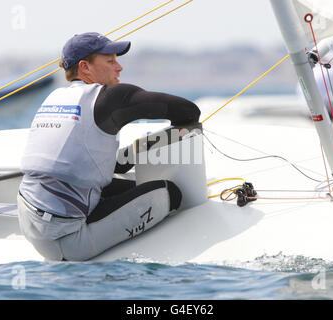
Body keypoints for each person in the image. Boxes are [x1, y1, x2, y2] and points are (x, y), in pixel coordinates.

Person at [17, 32, 201, 261]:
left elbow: (85, 160)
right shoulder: (111, 98)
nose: (119, 68)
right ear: (85, 67)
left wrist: (133, 153)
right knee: (170, 192)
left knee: (135, 185)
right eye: (111, 61)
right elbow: (188, 111)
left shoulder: (55, 97)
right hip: (67, 241)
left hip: (28, 220)